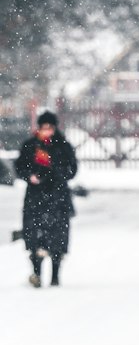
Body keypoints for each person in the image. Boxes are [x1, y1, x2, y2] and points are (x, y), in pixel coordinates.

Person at [15, 110, 78, 287]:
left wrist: (55, 170)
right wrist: (30, 176)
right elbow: (20, 167)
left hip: (58, 197)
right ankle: (36, 273)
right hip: (36, 198)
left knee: (57, 237)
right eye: (44, 127)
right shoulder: (30, 146)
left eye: (50, 127)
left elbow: (71, 170)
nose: (47, 131)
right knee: (35, 237)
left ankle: (55, 276)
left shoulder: (63, 146)